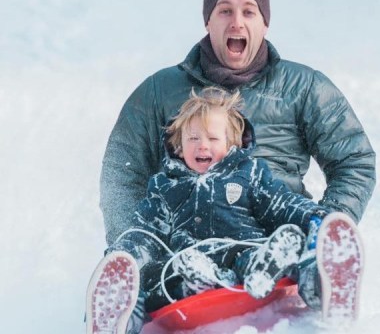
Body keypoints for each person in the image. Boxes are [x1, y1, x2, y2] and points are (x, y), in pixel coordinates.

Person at [99, 0, 375, 326]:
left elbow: (354, 160)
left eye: (249, 11)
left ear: (265, 22)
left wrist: (326, 227)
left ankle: (322, 276)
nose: (237, 21)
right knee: (144, 273)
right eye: (224, 10)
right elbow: (121, 172)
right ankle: (118, 316)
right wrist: (133, 249)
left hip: (275, 254)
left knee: (300, 242)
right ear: (208, 21)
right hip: (185, 253)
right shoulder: (158, 91)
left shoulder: (305, 87)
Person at [87, 88, 363, 333]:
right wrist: (123, 258)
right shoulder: (165, 188)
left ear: (232, 144)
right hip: (188, 264)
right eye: (192, 137)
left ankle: (320, 284)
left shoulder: (249, 175)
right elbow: (144, 232)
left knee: (285, 242)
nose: (202, 144)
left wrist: (321, 220)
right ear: (179, 146)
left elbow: (283, 205)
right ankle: (120, 317)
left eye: (212, 138)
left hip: (242, 254)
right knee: (155, 279)